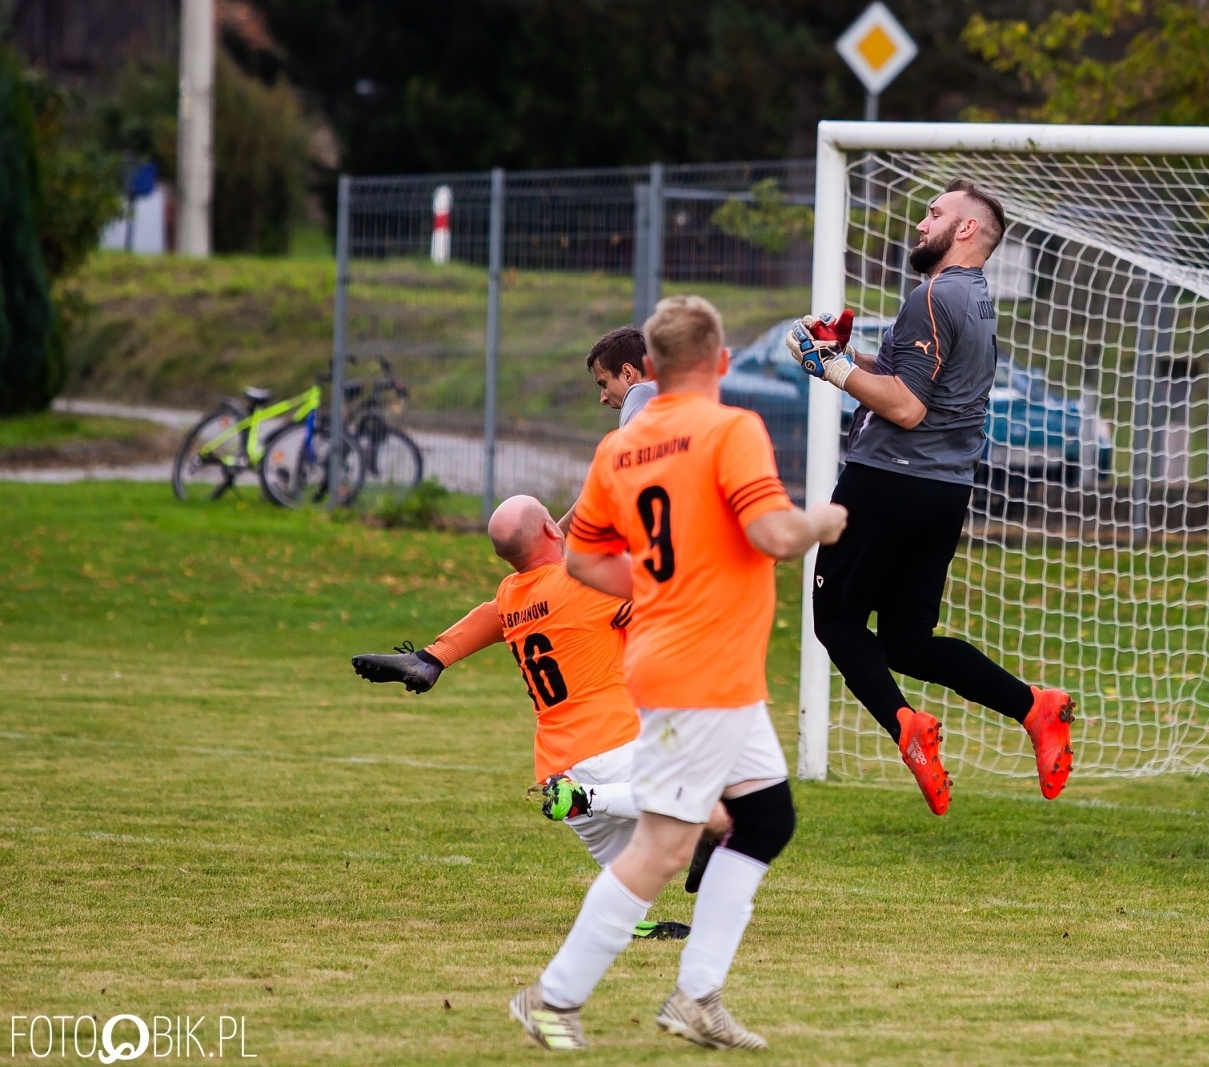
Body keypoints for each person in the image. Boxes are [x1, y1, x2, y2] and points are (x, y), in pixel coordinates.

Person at [508, 295, 847, 1052]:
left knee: (766, 819)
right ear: (721, 362)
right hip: (701, 668)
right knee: (663, 846)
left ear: (651, 368)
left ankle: (696, 997)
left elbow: (581, 559)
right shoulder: (731, 429)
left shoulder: (620, 449)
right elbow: (774, 534)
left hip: (699, 664)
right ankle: (551, 997)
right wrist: (823, 522)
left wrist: (658, 589)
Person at [787, 178, 1078, 817]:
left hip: (886, 481)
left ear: (966, 229)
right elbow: (913, 380)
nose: (922, 223)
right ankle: (1034, 707)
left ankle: (907, 727)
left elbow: (907, 407)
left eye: (935, 212)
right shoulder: (974, 298)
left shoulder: (931, 295)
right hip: (944, 492)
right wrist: (844, 354)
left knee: (836, 623)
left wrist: (833, 370)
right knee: (906, 642)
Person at [350, 493, 726, 938]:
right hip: (613, 747)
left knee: (638, 870)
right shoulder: (591, 585)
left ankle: (631, 918)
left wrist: (436, 657)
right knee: (721, 810)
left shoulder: (511, 595)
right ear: (551, 529)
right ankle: (603, 802)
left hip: (558, 763)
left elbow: (538, 558)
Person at [351, 327, 657, 697]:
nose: (602, 397)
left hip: (569, 729)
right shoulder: (667, 421)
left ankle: (432, 658)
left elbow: (620, 474)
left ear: (629, 373)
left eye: (603, 383)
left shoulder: (647, 406)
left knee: (522, 597)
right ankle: (431, 657)